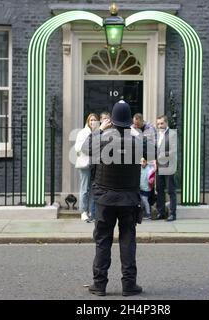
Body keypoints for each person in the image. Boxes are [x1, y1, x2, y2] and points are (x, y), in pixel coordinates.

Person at [82, 100, 155, 297]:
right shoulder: (138, 141)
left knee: (103, 241)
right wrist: (136, 131)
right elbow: (154, 150)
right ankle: (129, 285)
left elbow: (84, 147)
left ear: (112, 121)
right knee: (128, 241)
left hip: (105, 199)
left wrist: (99, 130)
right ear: (130, 121)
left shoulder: (103, 140)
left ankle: (100, 284)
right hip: (128, 200)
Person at [74, 113, 99, 222]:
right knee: (84, 189)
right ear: (87, 122)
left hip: (96, 164)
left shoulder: (98, 132)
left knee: (93, 189)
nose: (93, 122)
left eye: (95, 120)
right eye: (91, 120)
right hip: (85, 164)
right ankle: (83, 211)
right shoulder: (83, 133)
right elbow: (78, 148)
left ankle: (90, 211)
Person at [88, 111, 111, 223]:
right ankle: (93, 215)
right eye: (103, 118)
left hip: (108, 170)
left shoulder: (113, 133)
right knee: (95, 193)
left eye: (107, 118)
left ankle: (101, 216)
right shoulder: (97, 132)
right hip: (96, 168)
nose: (105, 120)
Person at [155, 115, 177, 222]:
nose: (160, 126)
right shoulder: (157, 135)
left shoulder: (172, 134)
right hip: (159, 167)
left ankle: (173, 213)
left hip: (169, 166)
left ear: (166, 123)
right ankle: (161, 212)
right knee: (159, 190)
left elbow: (173, 151)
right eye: (158, 124)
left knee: (171, 190)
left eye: (161, 123)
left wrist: (160, 155)